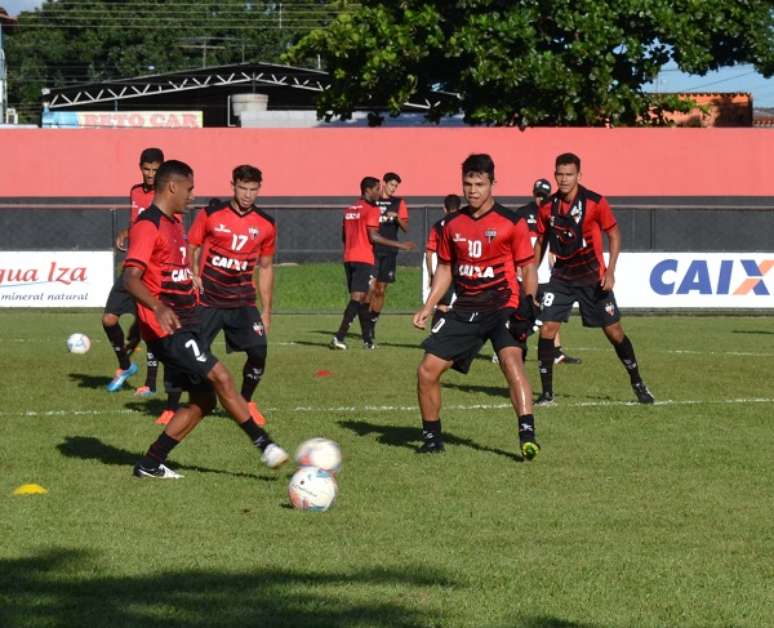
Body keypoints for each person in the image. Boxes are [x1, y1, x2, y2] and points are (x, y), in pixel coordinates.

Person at [123, 160, 288, 479]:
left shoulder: (173, 223)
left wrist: (190, 282)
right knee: (222, 378)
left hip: (188, 319)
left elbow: (172, 270)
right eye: (189, 188)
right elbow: (131, 278)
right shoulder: (149, 225)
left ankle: (151, 462)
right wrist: (157, 307)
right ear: (172, 186)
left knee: (203, 400)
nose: (193, 195)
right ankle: (265, 445)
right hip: (167, 327)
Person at [413, 154, 541, 460]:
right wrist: (429, 305)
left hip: (503, 304)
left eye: (480, 184)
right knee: (427, 371)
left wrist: (530, 302)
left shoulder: (512, 222)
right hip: (465, 306)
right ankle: (432, 439)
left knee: (512, 363)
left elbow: (528, 266)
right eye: (468, 184)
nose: (473, 190)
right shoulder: (450, 224)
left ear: (492, 184)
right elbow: (445, 270)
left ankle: (527, 435)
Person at [533, 152, 654, 405]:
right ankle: (546, 394)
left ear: (579, 175)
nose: (564, 179)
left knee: (614, 332)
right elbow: (542, 241)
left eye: (569, 174)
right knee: (547, 329)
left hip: (592, 279)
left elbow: (615, 234)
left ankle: (638, 382)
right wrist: (532, 272)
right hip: (561, 279)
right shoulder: (547, 207)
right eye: (560, 174)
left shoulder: (595, 202)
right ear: (555, 175)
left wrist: (610, 271)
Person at [186, 164, 275, 428]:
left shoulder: (267, 224)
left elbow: (267, 267)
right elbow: (192, 246)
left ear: (259, 189)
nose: (247, 194)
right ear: (233, 186)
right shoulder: (211, 214)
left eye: (253, 189)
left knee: (259, 351)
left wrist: (267, 309)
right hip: (208, 299)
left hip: (243, 301)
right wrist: (192, 273)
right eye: (242, 188)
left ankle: (245, 402)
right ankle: (185, 403)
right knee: (190, 354)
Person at [102, 147, 164, 394]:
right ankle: (126, 366)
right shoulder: (135, 192)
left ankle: (150, 384)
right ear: (140, 168)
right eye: (146, 169)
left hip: (153, 270)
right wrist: (127, 232)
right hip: (132, 267)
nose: (150, 174)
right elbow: (136, 223)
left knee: (150, 327)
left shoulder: (166, 196)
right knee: (108, 319)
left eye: (155, 170)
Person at [330, 177, 415, 350]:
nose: (379, 193)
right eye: (377, 189)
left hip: (349, 257)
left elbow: (343, 236)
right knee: (358, 298)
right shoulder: (372, 209)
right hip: (363, 258)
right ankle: (339, 336)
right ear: (368, 190)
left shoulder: (349, 210)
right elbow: (374, 236)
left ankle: (367, 340)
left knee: (362, 298)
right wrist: (401, 245)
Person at [515, 178, 582, 366]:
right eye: (538, 195)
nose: (540, 199)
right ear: (533, 193)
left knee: (553, 314)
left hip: (549, 274)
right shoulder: (522, 214)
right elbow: (516, 243)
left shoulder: (555, 213)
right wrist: (518, 267)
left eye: (544, 196)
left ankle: (556, 352)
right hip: (529, 273)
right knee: (525, 312)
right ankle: (513, 347)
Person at [368, 172, 410, 340]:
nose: (393, 189)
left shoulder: (398, 203)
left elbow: (406, 228)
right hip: (372, 250)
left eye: (396, 186)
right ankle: (365, 321)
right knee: (370, 288)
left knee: (381, 290)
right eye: (391, 185)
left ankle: (371, 326)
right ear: (383, 183)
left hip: (390, 251)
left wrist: (398, 217)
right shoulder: (373, 201)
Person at [424, 193, 461, 327]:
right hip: (465, 268)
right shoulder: (466, 223)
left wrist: (432, 274)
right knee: (469, 302)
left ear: (444, 209)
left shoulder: (438, 226)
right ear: (459, 207)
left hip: (446, 269)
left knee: (442, 304)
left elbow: (429, 253)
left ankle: (436, 332)